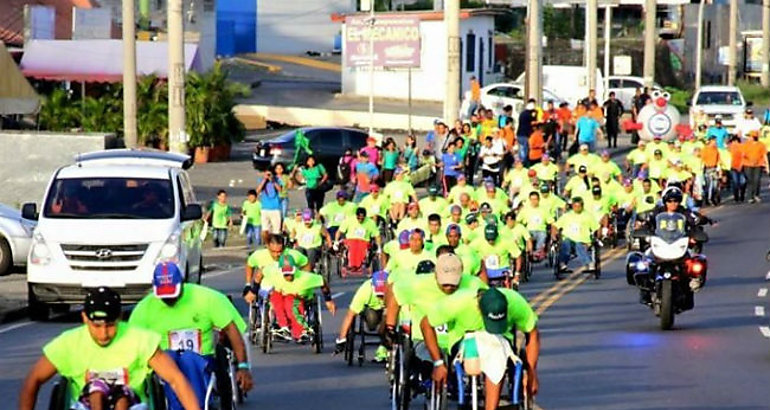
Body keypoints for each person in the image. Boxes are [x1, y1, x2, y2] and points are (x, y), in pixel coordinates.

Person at [19, 287, 200, 410]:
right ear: (85, 318)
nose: (103, 334)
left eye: (110, 325)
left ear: (120, 317)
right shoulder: (68, 343)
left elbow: (176, 379)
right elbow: (33, 380)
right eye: (96, 327)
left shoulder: (140, 340)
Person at [130, 263, 253, 408]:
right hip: (164, 361)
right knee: (169, 360)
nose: (169, 300)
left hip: (201, 359)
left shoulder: (207, 298)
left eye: (172, 294)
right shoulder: (144, 308)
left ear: (181, 284)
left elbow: (231, 330)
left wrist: (243, 366)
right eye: (164, 296)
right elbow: (132, 344)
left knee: (188, 359)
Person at [420, 286, 540, 408]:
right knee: (479, 353)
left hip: (500, 342)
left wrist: (532, 373)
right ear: (479, 310)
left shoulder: (515, 302)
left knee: (496, 352)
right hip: (464, 341)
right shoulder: (458, 302)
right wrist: (438, 363)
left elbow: (532, 333)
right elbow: (425, 323)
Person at [271, 255, 337, 342]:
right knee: (275, 296)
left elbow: (322, 282)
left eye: (290, 273)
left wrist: (328, 300)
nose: (288, 276)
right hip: (283, 299)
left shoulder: (305, 278)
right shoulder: (276, 277)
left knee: (290, 300)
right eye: (285, 274)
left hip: (299, 299)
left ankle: (300, 330)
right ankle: (283, 327)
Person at [335, 271, 390, 363]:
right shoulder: (365, 290)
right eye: (379, 295)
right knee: (372, 322)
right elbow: (350, 315)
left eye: (383, 294)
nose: (381, 297)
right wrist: (342, 339)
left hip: (389, 309)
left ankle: (384, 347)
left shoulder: (396, 287)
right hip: (372, 311)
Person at [551, 197, 599, 273]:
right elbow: (555, 226)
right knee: (566, 243)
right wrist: (554, 235)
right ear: (572, 206)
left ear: (582, 206)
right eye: (575, 206)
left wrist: (595, 239)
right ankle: (562, 263)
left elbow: (596, 228)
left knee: (579, 245)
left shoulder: (588, 216)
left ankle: (589, 263)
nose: (577, 208)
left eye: (579, 206)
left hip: (583, 240)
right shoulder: (567, 216)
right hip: (569, 238)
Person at [334, 207, 382, 272]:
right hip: (350, 240)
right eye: (358, 218)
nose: (360, 220)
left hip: (364, 241)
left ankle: (358, 265)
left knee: (361, 247)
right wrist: (336, 242)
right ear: (356, 216)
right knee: (353, 246)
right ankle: (351, 264)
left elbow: (377, 235)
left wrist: (379, 247)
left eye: (362, 218)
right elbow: (339, 231)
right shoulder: (349, 220)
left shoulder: (370, 222)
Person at [257, 166, 284, 243]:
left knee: (276, 230)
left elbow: (280, 190)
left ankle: (275, 243)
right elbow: (258, 191)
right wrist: (264, 180)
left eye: (270, 173)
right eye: (266, 173)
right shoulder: (261, 180)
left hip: (275, 208)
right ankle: (266, 243)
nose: (268, 175)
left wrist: (272, 181)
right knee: (265, 230)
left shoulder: (277, 180)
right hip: (265, 208)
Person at [743, 131, 769, 203]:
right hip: (748, 164)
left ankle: (756, 195)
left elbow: (764, 155)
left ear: (754, 137)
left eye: (750, 136)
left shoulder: (761, 145)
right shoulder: (746, 144)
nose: (748, 138)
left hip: (758, 165)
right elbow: (743, 154)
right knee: (750, 180)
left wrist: (767, 166)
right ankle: (750, 197)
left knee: (757, 180)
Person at [727, 135, 747, 202]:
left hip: (741, 167)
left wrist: (740, 165)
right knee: (735, 182)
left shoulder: (742, 147)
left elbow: (743, 157)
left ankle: (741, 195)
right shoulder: (730, 147)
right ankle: (736, 197)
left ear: (735, 141)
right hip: (733, 167)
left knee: (742, 182)